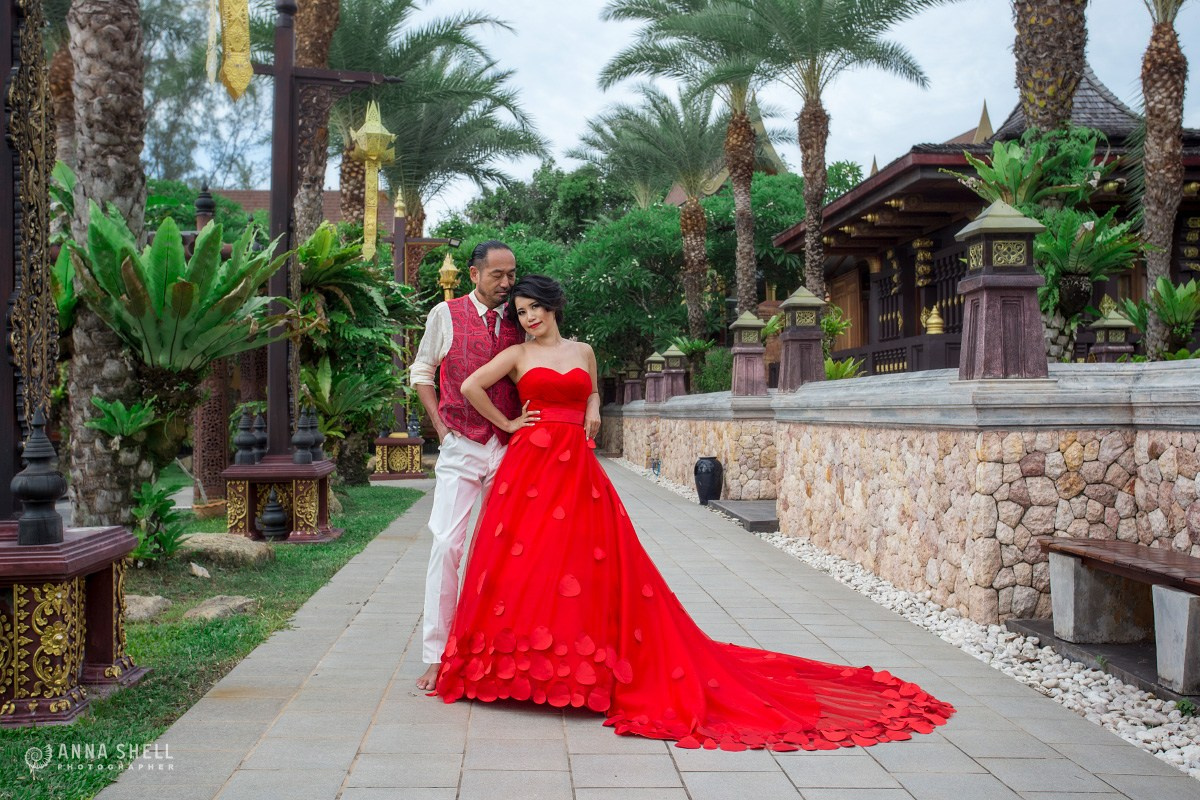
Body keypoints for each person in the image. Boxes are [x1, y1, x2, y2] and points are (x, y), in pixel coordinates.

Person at [431, 274, 955, 751]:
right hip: (531, 465)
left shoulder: (584, 350)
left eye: (535, 309)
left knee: (584, 565)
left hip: (576, 469)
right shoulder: (519, 355)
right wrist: (510, 422)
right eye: (521, 311)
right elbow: (471, 386)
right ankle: (515, 671)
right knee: (529, 560)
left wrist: (590, 410)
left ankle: (580, 670)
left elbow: (589, 393)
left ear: (553, 306)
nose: (529, 318)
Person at [410, 240, 526, 691]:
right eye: (497, 275)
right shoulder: (446, 315)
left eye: (511, 274)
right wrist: (439, 427)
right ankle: (437, 656)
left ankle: (496, 652)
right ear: (474, 274)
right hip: (461, 443)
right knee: (446, 544)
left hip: (511, 448)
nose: (506, 283)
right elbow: (422, 372)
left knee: (502, 551)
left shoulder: (522, 318)